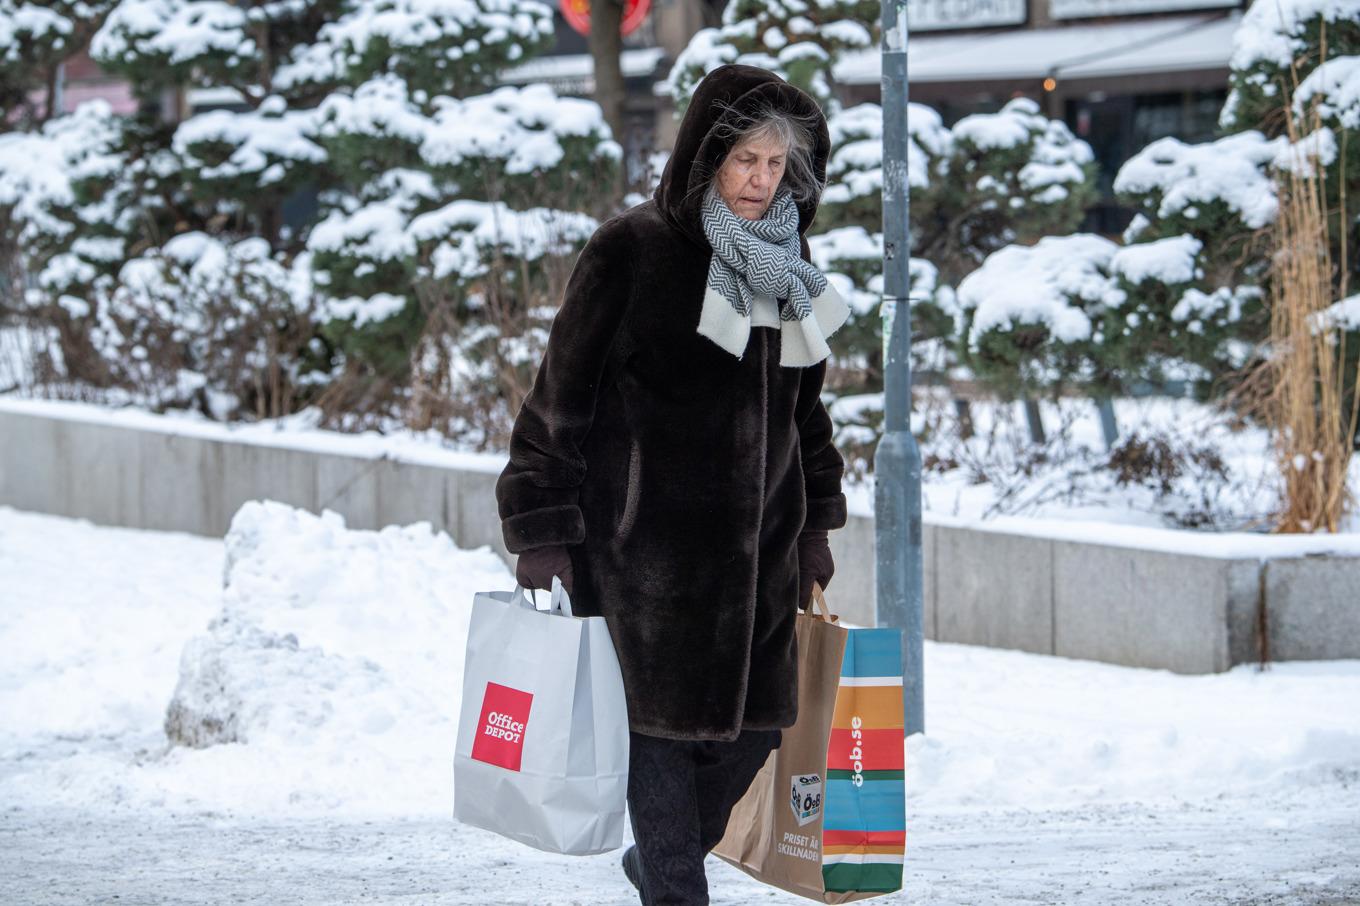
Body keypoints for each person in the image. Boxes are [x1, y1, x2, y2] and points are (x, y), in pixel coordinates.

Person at [494, 63, 850, 906]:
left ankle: (660, 859)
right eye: (746, 161)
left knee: (757, 735)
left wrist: (814, 528)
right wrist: (542, 529)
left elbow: (809, 417)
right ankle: (670, 877)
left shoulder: (789, 267)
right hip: (644, 569)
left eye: (777, 165)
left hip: (758, 569)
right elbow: (559, 399)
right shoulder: (632, 253)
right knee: (658, 757)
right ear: (705, 158)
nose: (763, 181)